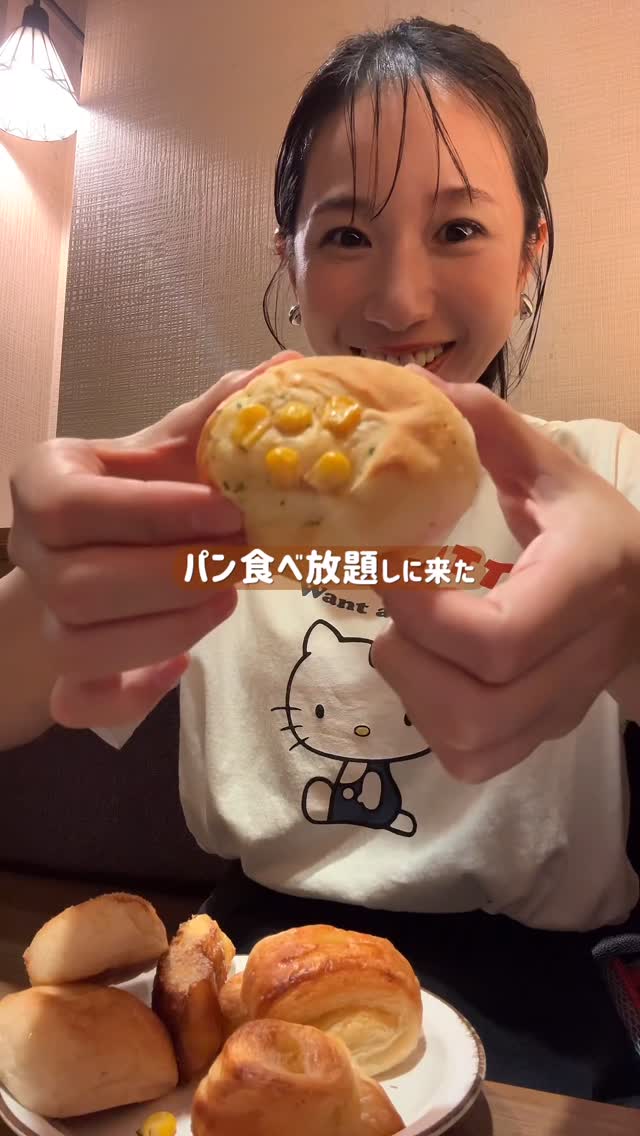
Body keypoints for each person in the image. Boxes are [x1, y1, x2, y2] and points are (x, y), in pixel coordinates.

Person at [2, 15, 640, 1106]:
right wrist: (48, 596)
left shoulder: (608, 478)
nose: (397, 302)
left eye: (458, 229)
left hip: (544, 1010)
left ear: (532, 248)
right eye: (345, 235)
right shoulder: (222, 515)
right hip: (252, 976)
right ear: (288, 258)